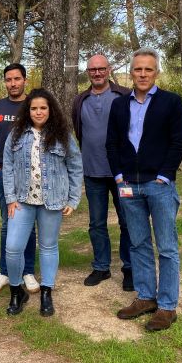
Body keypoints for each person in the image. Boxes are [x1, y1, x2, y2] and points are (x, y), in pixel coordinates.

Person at [106, 48, 182, 332]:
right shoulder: (119, 105)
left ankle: (167, 306)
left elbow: (180, 143)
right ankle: (145, 297)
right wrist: (119, 177)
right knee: (138, 243)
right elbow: (112, 144)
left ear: (157, 73)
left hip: (159, 186)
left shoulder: (171, 102)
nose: (142, 74)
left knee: (166, 247)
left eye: (148, 69)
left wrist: (164, 177)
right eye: (138, 69)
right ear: (131, 72)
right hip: (129, 185)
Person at [2, 89, 82, 317]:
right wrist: (10, 198)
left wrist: (73, 199)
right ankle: (17, 291)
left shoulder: (62, 134)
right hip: (22, 201)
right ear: (28, 110)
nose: (38, 112)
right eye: (34, 108)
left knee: (48, 247)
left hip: (53, 202)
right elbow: (7, 166)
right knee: (13, 247)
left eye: (43, 108)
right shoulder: (16, 135)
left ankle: (47, 291)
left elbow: (75, 166)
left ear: (50, 110)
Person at [71, 54, 134, 291]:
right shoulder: (80, 100)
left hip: (122, 175)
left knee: (128, 221)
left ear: (109, 70)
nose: (97, 73)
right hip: (93, 173)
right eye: (92, 70)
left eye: (101, 69)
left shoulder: (124, 95)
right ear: (87, 72)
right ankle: (101, 267)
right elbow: (80, 132)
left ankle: (129, 268)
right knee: (96, 223)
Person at [0, 63, 39, 295]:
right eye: (9, 79)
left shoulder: (34, 105)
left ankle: (27, 271)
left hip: (32, 174)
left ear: (25, 80)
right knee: (9, 222)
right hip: (5, 174)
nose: (13, 83)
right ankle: (5, 271)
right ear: (5, 82)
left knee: (29, 222)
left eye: (17, 79)